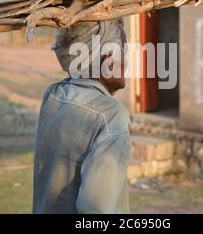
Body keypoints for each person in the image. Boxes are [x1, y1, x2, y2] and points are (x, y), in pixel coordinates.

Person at [32, 19, 131, 214]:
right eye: (123, 53)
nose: (126, 63)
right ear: (108, 58)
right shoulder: (111, 115)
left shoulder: (54, 95)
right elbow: (96, 209)